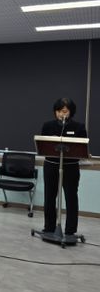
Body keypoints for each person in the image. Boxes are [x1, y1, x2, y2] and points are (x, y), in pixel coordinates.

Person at [40, 98, 87, 236]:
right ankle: (49, 227)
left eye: (65, 111)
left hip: (70, 167)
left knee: (71, 197)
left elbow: (83, 148)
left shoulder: (79, 127)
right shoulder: (47, 126)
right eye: (59, 111)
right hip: (51, 165)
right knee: (49, 197)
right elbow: (43, 146)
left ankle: (70, 230)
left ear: (71, 112)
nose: (61, 114)